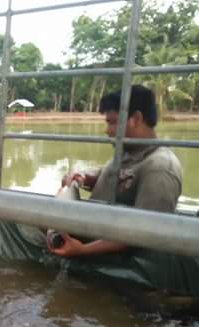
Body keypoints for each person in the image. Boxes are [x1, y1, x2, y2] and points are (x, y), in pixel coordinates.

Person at [48, 84, 183, 258]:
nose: (107, 130)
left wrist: (82, 251)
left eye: (112, 122)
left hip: (104, 250)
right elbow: (109, 176)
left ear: (135, 119)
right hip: (89, 230)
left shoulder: (160, 167)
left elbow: (146, 232)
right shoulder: (127, 152)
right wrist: (82, 178)